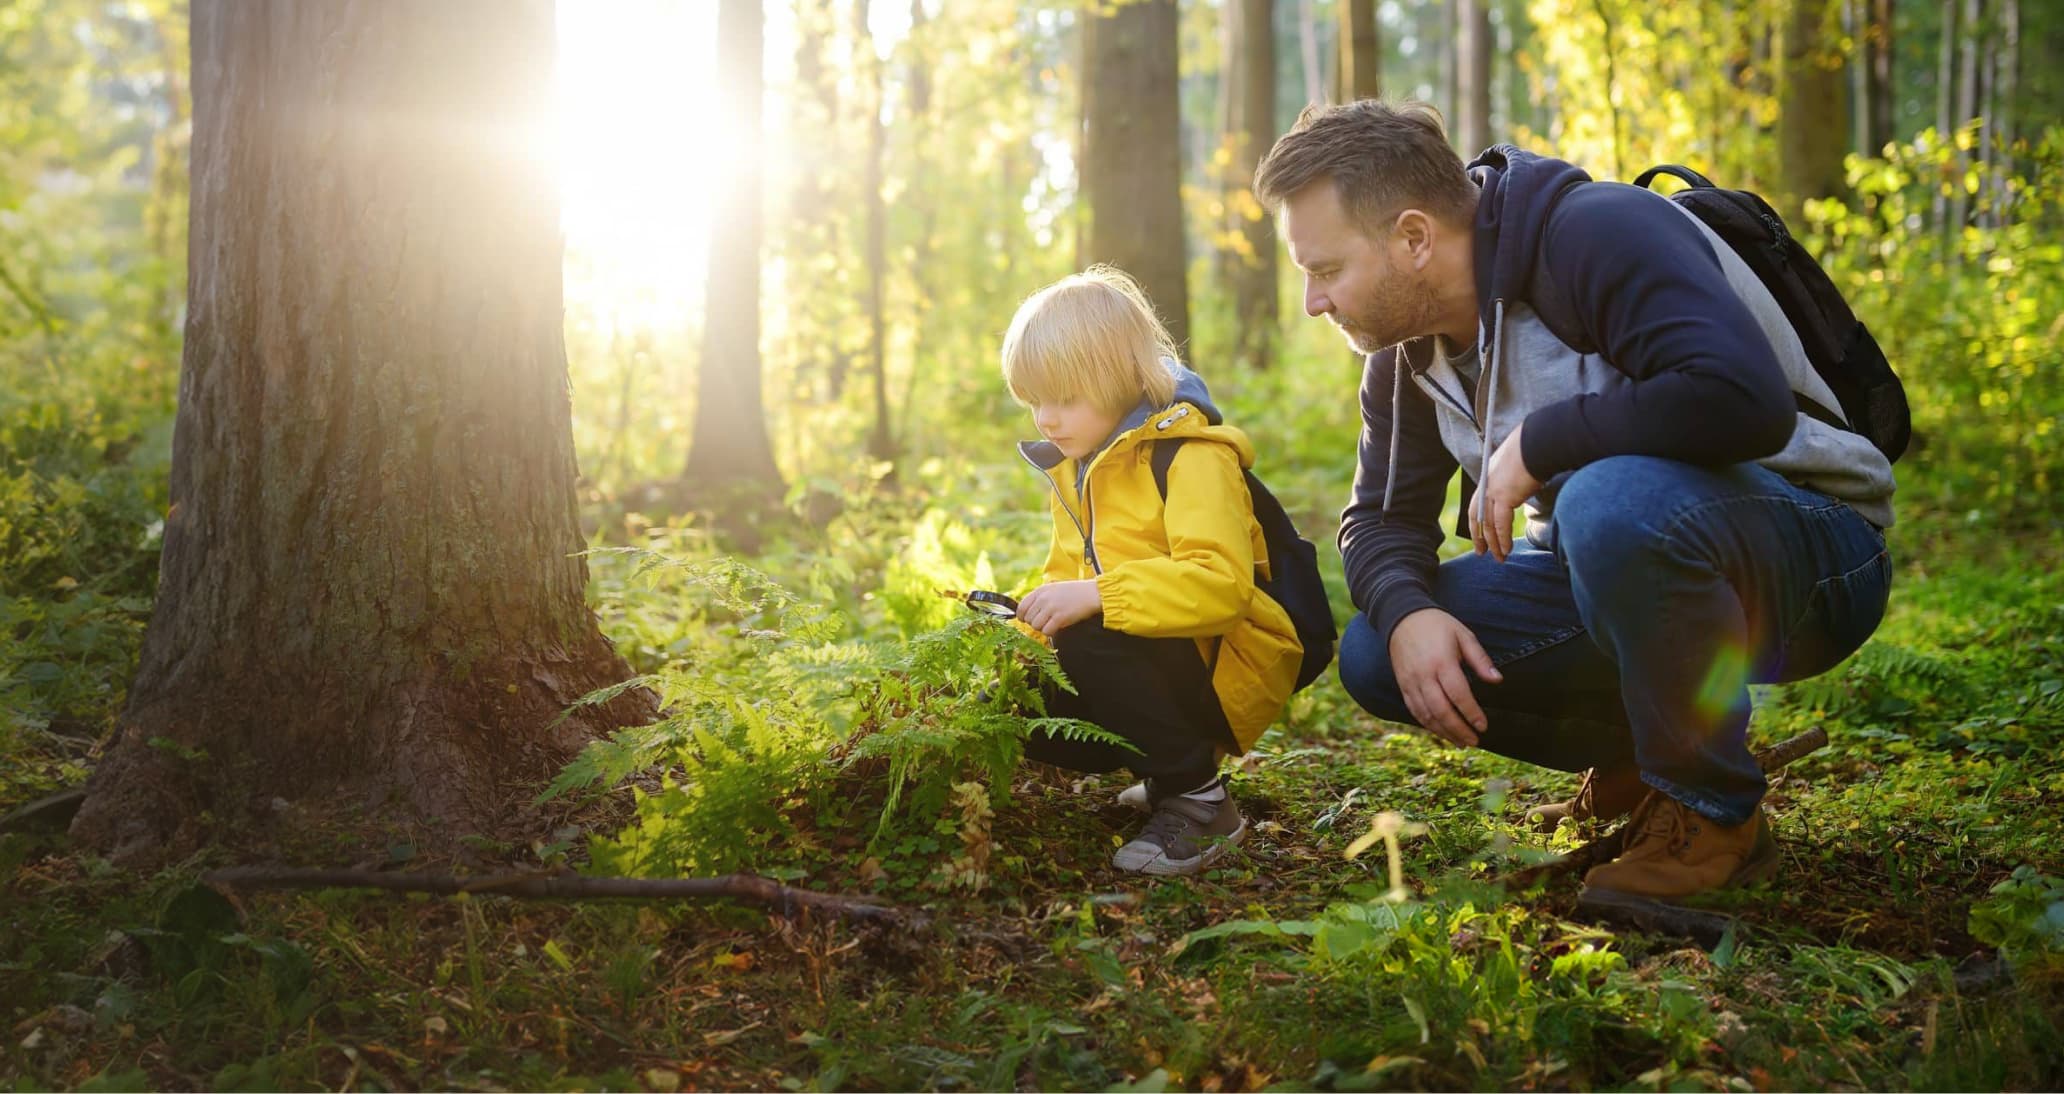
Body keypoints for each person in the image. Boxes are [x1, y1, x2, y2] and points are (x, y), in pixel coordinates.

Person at [1252, 101, 1895, 908]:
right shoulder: (1407, 352)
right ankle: (1648, 758)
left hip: (1815, 551)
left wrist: (1544, 441)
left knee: (1606, 499)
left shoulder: (1596, 233)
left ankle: (1711, 813)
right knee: (1378, 651)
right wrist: (1410, 610)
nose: (1314, 301)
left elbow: (1744, 399)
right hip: (1624, 565)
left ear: (1413, 238)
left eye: (1325, 270)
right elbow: (1378, 521)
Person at [999, 266, 1302, 877]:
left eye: (1064, 399)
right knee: (1021, 706)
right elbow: (1068, 575)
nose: (1046, 420)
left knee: (1089, 632)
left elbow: (1219, 587)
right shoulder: (1077, 467)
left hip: (1229, 657)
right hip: (1164, 649)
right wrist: (1019, 656)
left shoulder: (1191, 458)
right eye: (1035, 401)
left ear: (1117, 380)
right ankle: (1170, 771)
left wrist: (1095, 597)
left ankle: (1201, 802)